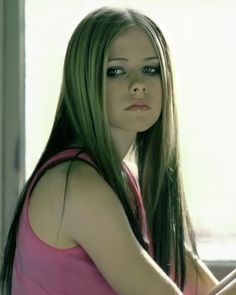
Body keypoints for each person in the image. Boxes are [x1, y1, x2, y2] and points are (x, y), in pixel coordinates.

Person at [0, 6, 235, 295]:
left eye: (150, 69)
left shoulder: (124, 183)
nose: (138, 85)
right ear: (84, 81)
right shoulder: (74, 186)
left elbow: (205, 289)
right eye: (116, 71)